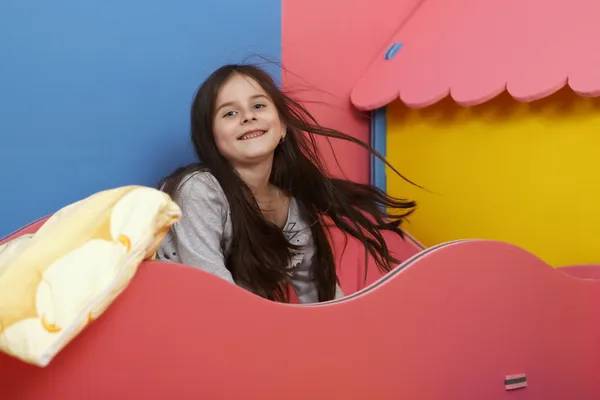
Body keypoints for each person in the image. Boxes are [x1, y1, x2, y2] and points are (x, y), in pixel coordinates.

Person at [157, 64, 416, 304]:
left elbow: (322, 300)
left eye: (258, 106)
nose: (247, 117)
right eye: (230, 113)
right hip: (172, 317)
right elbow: (211, 292)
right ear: (212, 140)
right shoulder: (198, 190)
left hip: (236, 327)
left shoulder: (294, 210)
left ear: (281, 127)